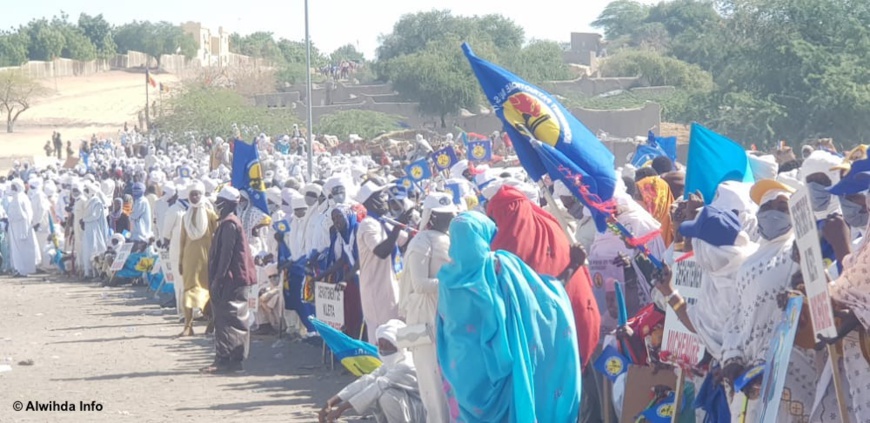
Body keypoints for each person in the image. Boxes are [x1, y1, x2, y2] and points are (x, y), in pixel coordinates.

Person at [436, 211, 581, 423]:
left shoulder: (447, 278)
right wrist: (572, 267)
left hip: (462, 373)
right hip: (501, 372)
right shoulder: (498, 267)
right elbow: (542, 302)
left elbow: (444, 328)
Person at [398, 192, 456, 423]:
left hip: (446, 313)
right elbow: (420, 284)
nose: (448, 219)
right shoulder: (421, 242)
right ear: (431, 216)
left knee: (447, 377)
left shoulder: (450, 238)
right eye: (442, 215)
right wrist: (454, 281)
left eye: (450, 215)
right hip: (424, 317)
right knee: (431, 380)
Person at [318, 320, 426, 423]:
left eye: (387, 344)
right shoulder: (390, 364)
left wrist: (340, 410)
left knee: (386, 396)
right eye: (380, 344)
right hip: (408, 405)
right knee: (374, 393)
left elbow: (377, 386)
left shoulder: (405, 365)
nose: (382, 348)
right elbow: (367, 381)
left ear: (397, 346)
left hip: (421, 410)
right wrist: (331, 402)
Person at [202, 186, 256, 374]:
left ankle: (229, 359)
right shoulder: (228, 222)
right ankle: (226, 358)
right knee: (227, 319)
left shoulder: (230, 225)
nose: (216, 205)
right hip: (231, 279)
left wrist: (218, 279)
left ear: (226, 204)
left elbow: (226, 255)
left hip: (231, 280)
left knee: (230, 318)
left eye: (219, 202)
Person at [355, 180, 410, 342]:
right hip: (377, 290)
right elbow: (381, 251)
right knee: (382, 337)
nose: (386, 199)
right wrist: (398, 228)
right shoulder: (368, 225)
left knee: (397, 334)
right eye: (381, 196)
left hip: (393, 286)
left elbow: (404, 241)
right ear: (371, 202)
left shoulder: (383, 222)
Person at [178, 182, 218, 337]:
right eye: (192, 194)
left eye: (197, 194)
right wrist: (180, 261)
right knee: (188, 292)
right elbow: (182, 241)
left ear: (202, 195)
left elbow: (218, 235)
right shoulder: (185, 217)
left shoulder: (210, 215)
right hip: (189, 261)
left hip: (207, 260)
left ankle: (211, 324)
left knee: (210, 293)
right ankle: (188, 326)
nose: (194, 197)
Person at [7, 179, 39, 277]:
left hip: (22, 227)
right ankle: (18, 269)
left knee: (23, 249)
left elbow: (28, 215)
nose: (12, 188)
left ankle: (24, 270)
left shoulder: (23, 198)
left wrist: (25, 229)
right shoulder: (14, 198)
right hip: (14, 227)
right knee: (16, 249)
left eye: (14, 187)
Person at [80, 183, 109, 279]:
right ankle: (87, 272)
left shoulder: (97, 202)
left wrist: (84, 219)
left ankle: (96, 272)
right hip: (88, 228)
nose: (85, 192)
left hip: (94, 228)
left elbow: (95, 216)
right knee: (86, 249)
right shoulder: (88, 201)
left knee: (95, 249)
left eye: (87, 190)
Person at [129, 182, 153, 250]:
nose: (135, 192)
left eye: (137, 190)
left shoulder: (142, 201)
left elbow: (134, 215)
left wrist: (129, 215)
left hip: (140, 235)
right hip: (136, 233)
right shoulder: (138, 200)